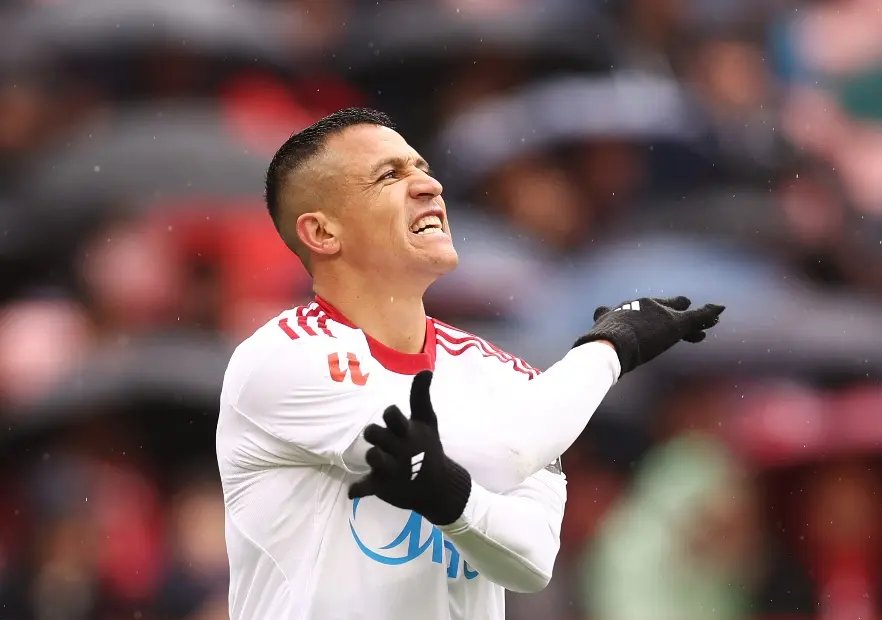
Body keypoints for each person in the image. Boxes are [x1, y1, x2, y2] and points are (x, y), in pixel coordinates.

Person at [215, 107, 724, 619]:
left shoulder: (501, 375)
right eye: (389, 175)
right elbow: (509, 450)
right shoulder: (282, 359)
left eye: (422, 168)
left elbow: (532, 561)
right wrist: (610, 347)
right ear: (323, 233)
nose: (428, 185)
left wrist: (454, 502)